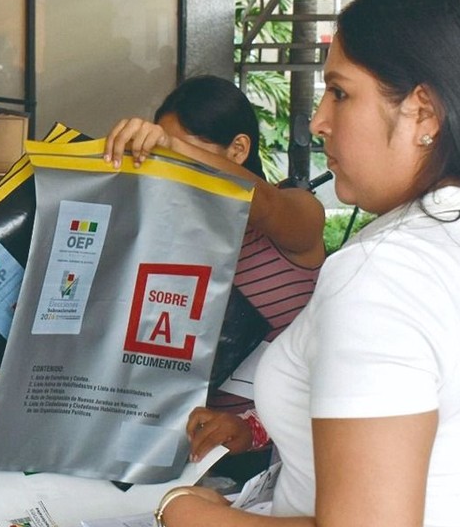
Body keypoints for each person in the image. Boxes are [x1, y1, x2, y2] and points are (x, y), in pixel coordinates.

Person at [149, 0, 460, 527]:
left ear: (423, 114)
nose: (318, 122)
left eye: (340, 92)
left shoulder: (388, 272)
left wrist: (181, 515)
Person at [104, 75, 325, 462]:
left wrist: (172, 149)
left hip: (290, 453)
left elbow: (267, 205)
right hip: (189, 453)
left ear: (238, 149)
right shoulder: (165, 240)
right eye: (161, 160)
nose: (170, 171)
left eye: (184, 156)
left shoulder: (296, 216)